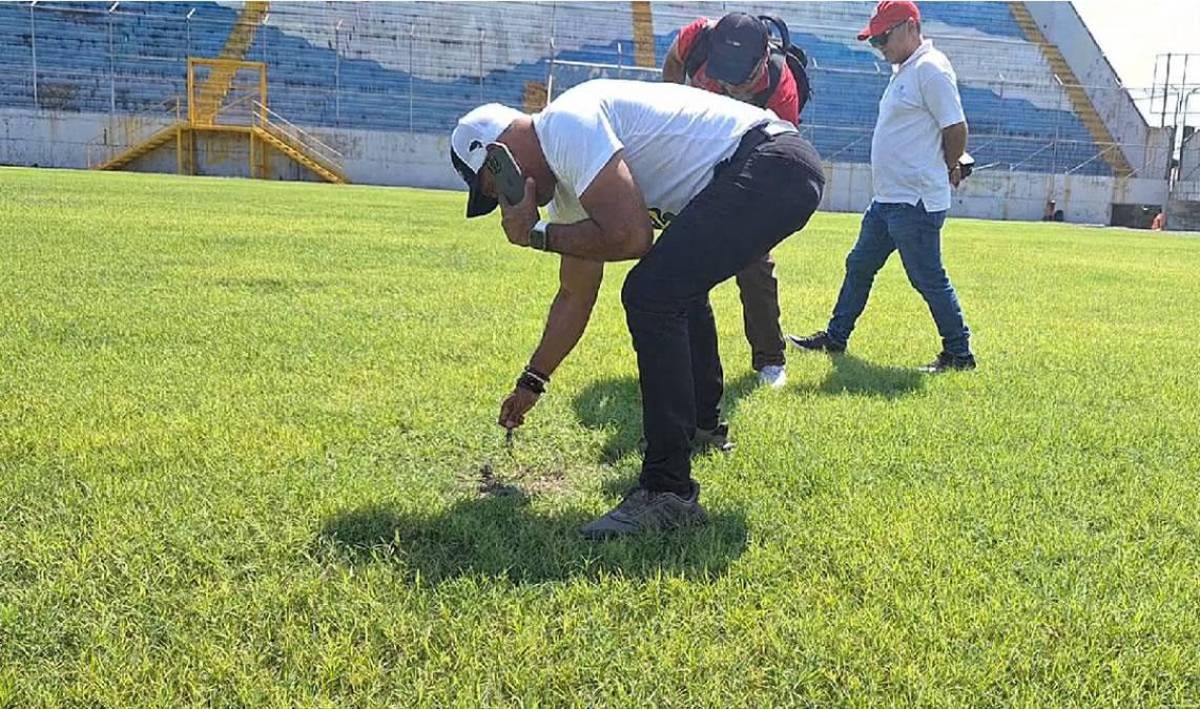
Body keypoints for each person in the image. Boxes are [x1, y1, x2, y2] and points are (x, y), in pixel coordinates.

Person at [450, 79, 824, 538]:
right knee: (675, 285)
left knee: (651, 293)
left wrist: (535, 234)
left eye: (493, 188)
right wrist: (532, 381)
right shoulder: (569, 181)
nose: (501, 201)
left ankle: (667, 491)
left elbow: (630, 237)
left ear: (498, 156)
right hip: (772, 165)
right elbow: (575, 295)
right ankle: (702, 428)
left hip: (772, 164)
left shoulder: (564, 126)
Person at [788, 0, 975, 373]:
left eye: (882, 38)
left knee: (928, 278)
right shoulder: (907, 69)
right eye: (874, 41)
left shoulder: (930, 68)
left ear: (910, 27)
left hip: (914, 200)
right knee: (859, 265)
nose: (879, 47)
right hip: (889, 199)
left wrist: (949, 165)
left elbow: (955, 127)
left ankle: (959, 354)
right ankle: (836, 337)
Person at [661, 12, 809, 388]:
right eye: (721, 73)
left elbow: (779, 156)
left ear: (762, 60)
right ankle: (678, 355)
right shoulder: (697, 38)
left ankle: (770, 360)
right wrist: (673, 108)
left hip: (751, 163)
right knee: (676, 257)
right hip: (694, 154)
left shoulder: (781, 91)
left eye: (738, 78)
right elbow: (674, 59)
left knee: (755, 263)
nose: (727, 84)